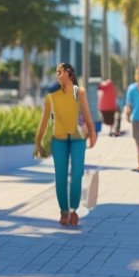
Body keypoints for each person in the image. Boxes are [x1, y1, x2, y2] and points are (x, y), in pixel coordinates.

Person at [33, 63, 97, 228]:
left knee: (77, 174)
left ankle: (74, 210)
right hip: (59, 140)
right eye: (57, 73)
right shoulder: (51, 97)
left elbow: (87, 114)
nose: (58, 76)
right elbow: (44, 122)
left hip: (78, 139)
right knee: (60, 177)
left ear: (69, 73)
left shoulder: (79, 92)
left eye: (60, 72)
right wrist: (38, 142)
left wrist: (92, 131)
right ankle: (64, 211)